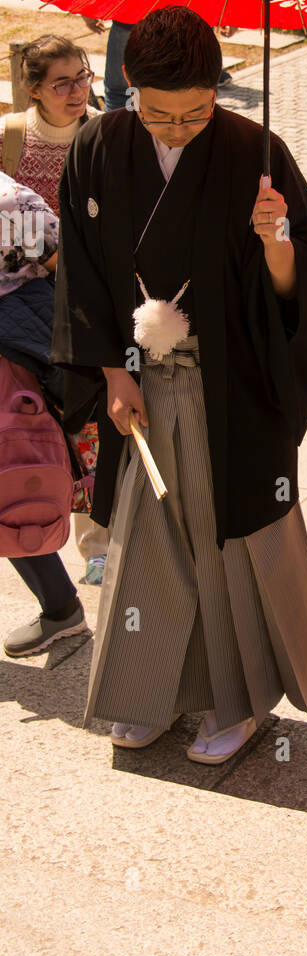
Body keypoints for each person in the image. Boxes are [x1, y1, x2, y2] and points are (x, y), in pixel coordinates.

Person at [51, 6, 307, 763]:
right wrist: (112, 372)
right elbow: (79, 267)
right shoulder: (98, 146)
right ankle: (149, 693)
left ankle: (231, 702)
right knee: (145, 542)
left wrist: (274, 240)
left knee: (222, 542)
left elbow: (296, 287)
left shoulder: (255, 149)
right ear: (128, 87)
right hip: (139, 380)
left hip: (229, 385)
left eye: (196, 113)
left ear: (219, 91)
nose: (176, 129)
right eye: (158, 113)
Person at [0, 35, 107, 584]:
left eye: (83, 76)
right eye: (61, 82)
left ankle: (98, 543)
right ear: (33, 88)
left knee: (90, 416)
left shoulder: (105, 131)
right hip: (35, 304)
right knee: (43, 418)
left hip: (90, 289)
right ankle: (38, 514)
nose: (76, 91)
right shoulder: (12, 135)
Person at [0, 171, 90, 657]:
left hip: (12, 369)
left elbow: (69, 274)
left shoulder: (9, 203)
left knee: (11, 483)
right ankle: (59, 606)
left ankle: (60, 608)